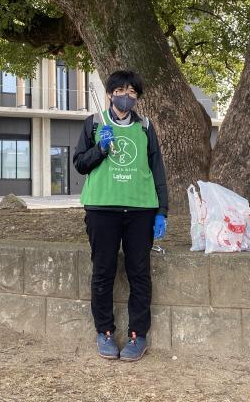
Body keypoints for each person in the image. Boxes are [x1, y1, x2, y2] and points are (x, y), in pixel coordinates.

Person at [73, 70, 168, 362]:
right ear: (110, 94)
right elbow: (80, 164)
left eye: (132, 92)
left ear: (137, 97)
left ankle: (138, 335)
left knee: (139, 274)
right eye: (120, 91)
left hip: (140, 211)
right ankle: (104, 331)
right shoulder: (94, 123)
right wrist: (100, 149)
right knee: (103, 272)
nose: (126, 97)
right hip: (102, 209)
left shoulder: (145, 126)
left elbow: (157, 170)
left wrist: (161, 211)